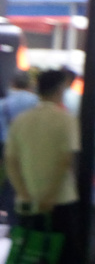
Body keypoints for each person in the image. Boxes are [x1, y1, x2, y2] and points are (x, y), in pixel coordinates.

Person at [5, 70, 81, 264]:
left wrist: (23, 192)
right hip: (61, 200)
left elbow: (10, 161)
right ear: (60, 89)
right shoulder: (66, 120)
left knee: (30, 252)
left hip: (27, 202)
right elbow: (65, 161)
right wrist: (50, 195)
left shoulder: (21, 120)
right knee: (61, 254)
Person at [0, 72, 40, 224]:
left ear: (13, 83)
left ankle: (7, 214)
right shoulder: (36, 102)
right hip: (30, 147)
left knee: (8, 180)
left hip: (7, 146)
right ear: (29, 85)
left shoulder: (4, 103)